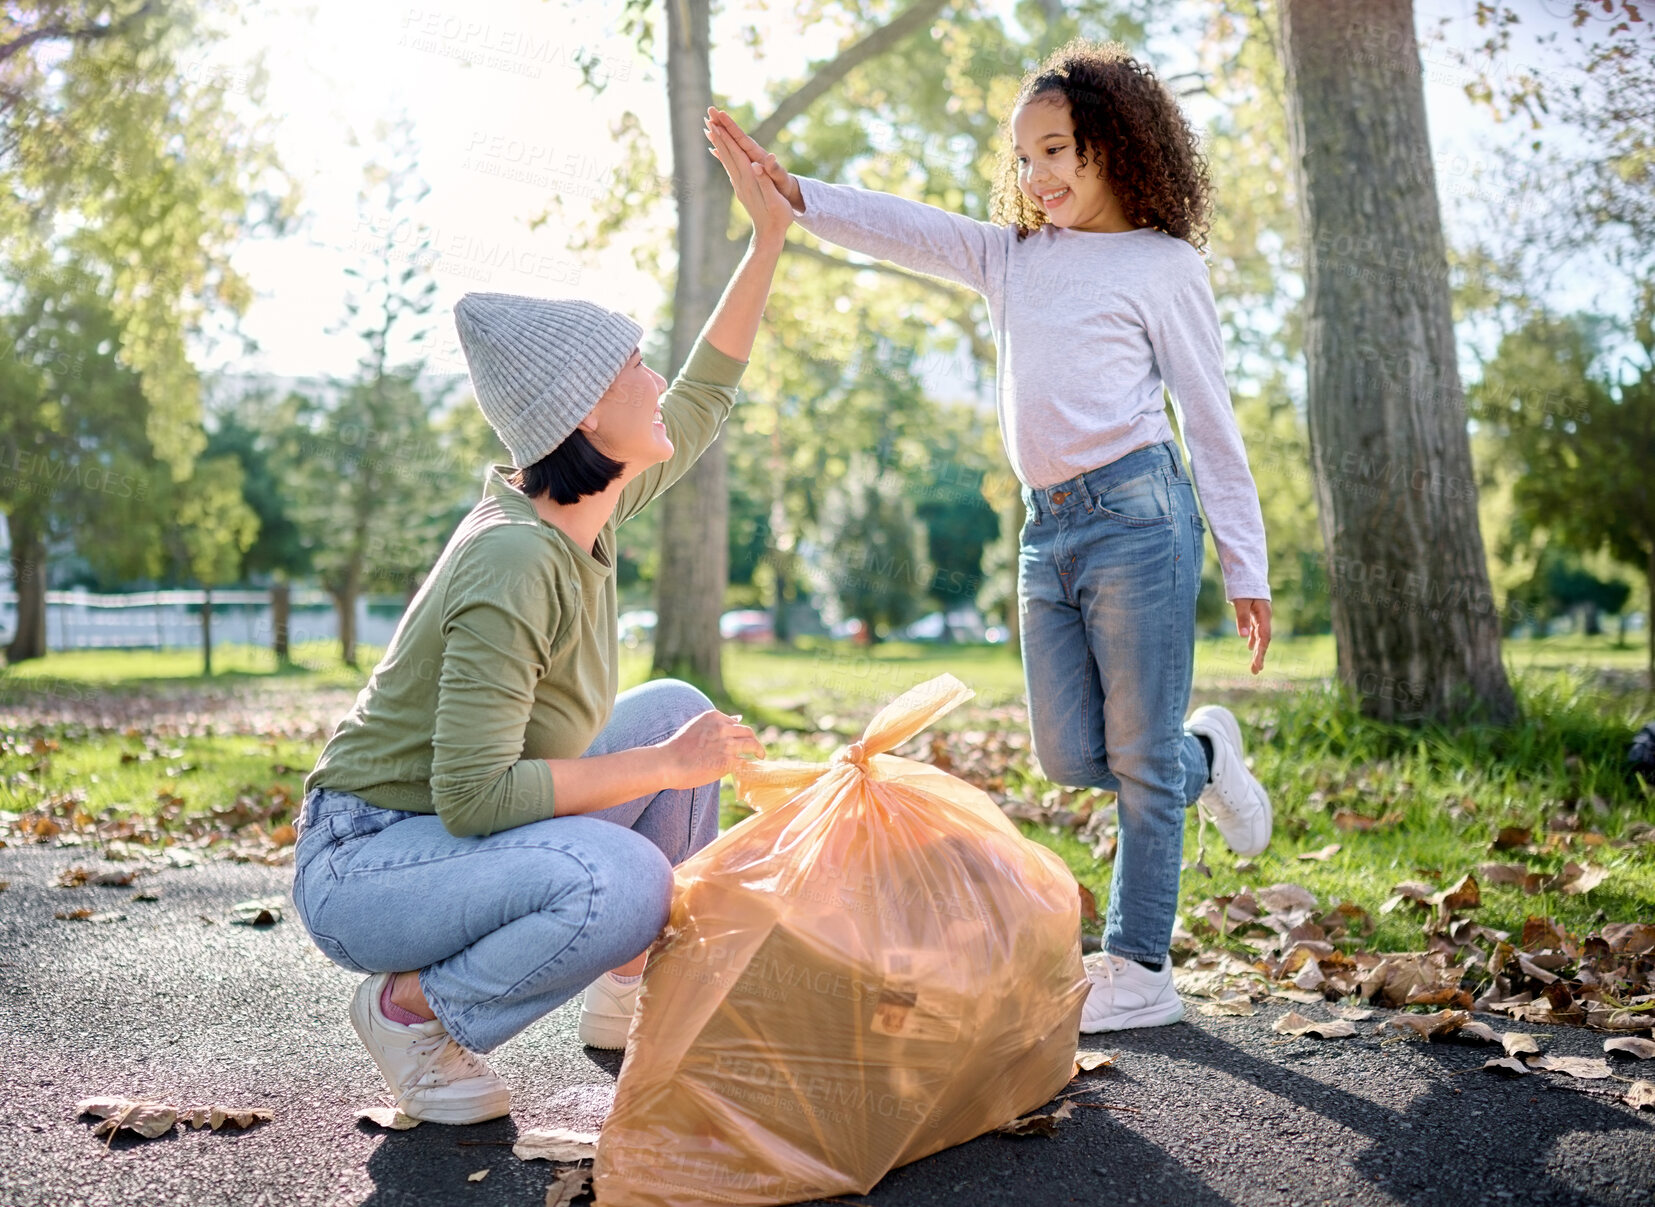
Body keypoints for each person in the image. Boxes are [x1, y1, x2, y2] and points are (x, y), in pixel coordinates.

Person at [708, 39, 1274, 1033]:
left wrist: (1244, 562)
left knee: (1133, 760)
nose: (1037, 176)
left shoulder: (1161, 265)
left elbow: (1209, 421)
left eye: (1057, 150)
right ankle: (1206, 758)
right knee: (1068, 753)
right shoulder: (1010, 257)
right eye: (1022, 158)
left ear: (1118, 145)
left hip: (1140, 519)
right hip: (1045, 532)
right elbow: (907, 228)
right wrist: (796, 193)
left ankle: (1139, 966)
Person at [291, 116, 791, 1124]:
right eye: (633, 370)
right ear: (581, 418)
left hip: (437, 834)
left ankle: (622, 991)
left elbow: (705, 390)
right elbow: (473, 797)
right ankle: (406, 1009)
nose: (657, 383)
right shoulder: (513, 556)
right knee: (630, 869)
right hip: (368, 859)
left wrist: (767, 241)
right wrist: (664, 770)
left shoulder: (591, 505)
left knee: (672, 708)